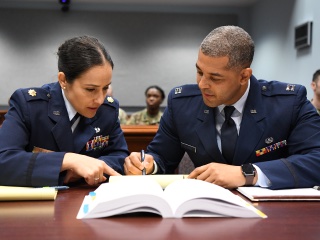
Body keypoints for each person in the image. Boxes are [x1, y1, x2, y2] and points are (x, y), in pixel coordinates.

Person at [124, 25, 320, 190]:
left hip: (271, 216)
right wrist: (148, 164)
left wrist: (247, 173)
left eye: (215, 78)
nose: (202, 84)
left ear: (244, 76)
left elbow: (316, 161)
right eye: (199, 72)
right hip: (203, 212)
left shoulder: (289, 103)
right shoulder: (182, 104)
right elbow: (161, 157)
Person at [0, 36, 129, 187]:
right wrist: (67, 160)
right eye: (90, 89)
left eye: (105, 88)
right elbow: (4, 161)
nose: (100, 100)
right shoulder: (30, 106)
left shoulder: (107, 110)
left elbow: (119, 156)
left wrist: (92, 167)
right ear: (63, 80)